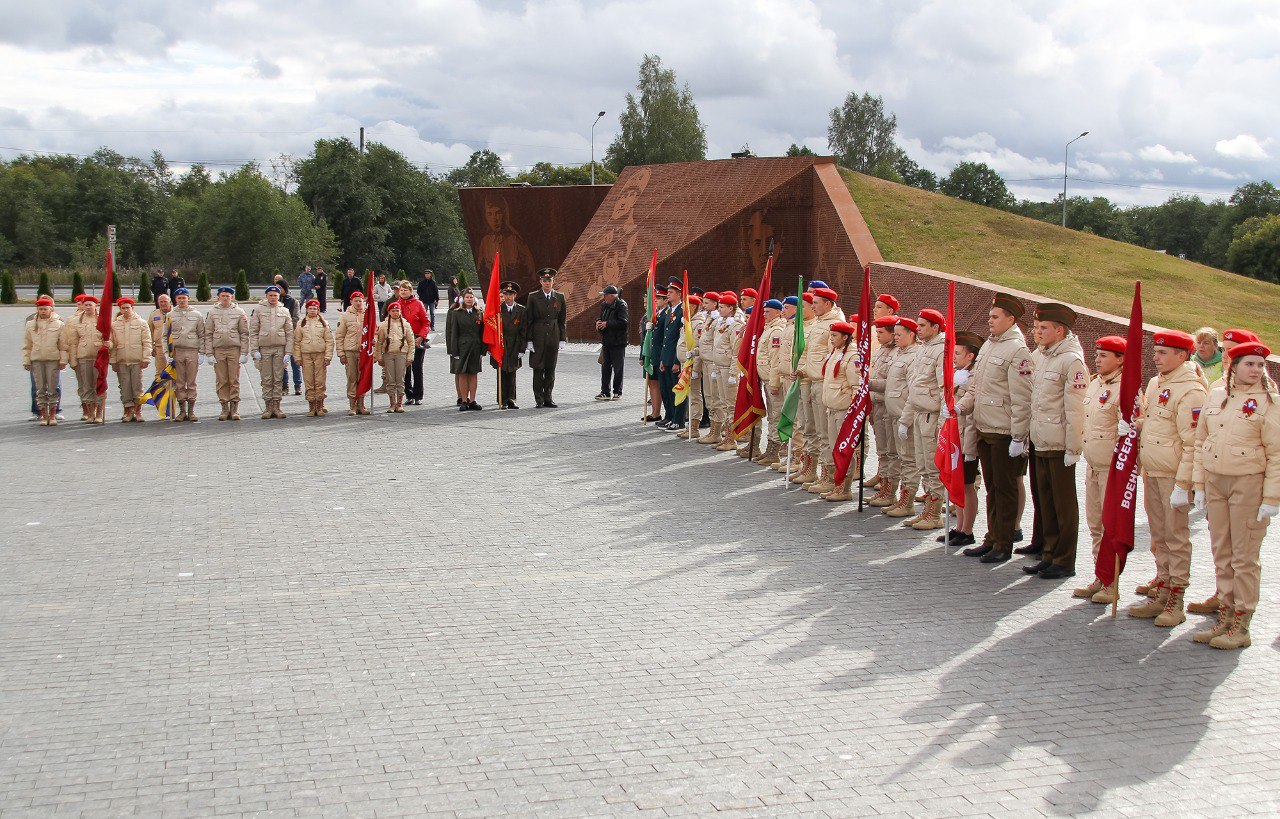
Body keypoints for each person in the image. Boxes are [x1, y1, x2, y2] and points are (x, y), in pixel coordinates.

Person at [1191, 340, 1280, 650]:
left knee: (1244, 558)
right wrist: (1199, 485)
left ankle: (1242, 624)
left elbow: (1276, 454)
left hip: (1248, 485)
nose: (1255, 370)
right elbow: (1202, 441)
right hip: (1217, 482)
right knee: (1222, 553)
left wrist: (1271, 499)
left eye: (1260, 365)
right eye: (1249, 364)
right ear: (1234, 365)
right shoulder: (1217, 395)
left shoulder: (1269, 402)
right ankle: (1225, 618)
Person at [1127, 329, 1209, 626]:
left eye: (1163, 352)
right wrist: (1136, 424)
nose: (1156, 357)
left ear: (1182, 355)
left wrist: (1184, 484)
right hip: (1154, 470)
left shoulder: (1191, 390)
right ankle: (1162, 589)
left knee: (1176, 538)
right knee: (1159, 537)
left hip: (1174, 476)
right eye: (1156, 351)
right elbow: (1153, 423)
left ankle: (1177, 598)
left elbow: (1193, 442)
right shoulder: (1155, 383)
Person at [955, 293, 1033, 564]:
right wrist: (961, 407)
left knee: (1005, 489)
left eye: (995, 316)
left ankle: (1004, 542)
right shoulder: (989, 345)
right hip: (984, 427)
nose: (989, 320)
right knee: (992, 488)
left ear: (1011, 320)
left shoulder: (1017, 350)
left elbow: (1022, 397)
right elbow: (977, 385)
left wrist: (1019, 436)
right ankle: (991, 537)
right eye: (989, 316)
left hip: (1003, 431)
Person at [1019, 303, 1088, 580]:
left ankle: (1064, 559)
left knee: (1063, 504)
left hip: (1059, 442)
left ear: (1060, 331)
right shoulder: (1043, 355)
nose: (1037, 332)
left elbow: (1075, 409)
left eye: (1043, 328)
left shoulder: (1072, 361)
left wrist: (1073, 448)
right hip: (1040, 438)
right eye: (1036, 327)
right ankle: (1048, 553)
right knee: (1045, 500)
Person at [1070, 335, 1127, 601]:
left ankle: (1111, 583)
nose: (1098, 359)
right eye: (1098, 354)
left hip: (1113, 469)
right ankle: (1100, 575)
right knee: (1095, 525)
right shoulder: (1095, 384)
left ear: (1120, 359)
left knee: (1109, 527)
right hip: (1094, 464)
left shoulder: (1125, 388)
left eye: (1105, 356)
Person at [898, 308, 948, 529]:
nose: (917, 329)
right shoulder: (923, 349)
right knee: (922, 465)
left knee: (931, 466)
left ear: (935, 327)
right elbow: (914, 387)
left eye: (922, 326)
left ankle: (935, 514)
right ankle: (927, 509)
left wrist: (942, 422)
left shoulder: (941, 350)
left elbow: (944, 387)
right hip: (919, 412)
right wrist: (905, 419)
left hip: (931, 415)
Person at [796, 287, 846, 492]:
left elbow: (831, 358)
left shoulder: (833, 325)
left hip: (822, 383)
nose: (813, 306)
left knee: (825, 433)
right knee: (811, 428)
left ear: (828, 304)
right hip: (810, 380)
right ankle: (811, 468)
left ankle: (828, 474)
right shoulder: (819, 323)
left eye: (816, 303)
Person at [939, 331, 983, 546]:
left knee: (967, 484)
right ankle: (958, 527)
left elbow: (970, 397)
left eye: (958, 353)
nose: (954, 357)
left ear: (970, 356)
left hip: (966, 435)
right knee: (955, 481)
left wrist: (957, 407)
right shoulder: (957, 373)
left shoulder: (974, 375)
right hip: (953, 433)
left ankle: (967, 530)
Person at [881, 318, 921, 512]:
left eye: (899, 334)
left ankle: (907, 502)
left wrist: (906, 419)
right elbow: (891, 384)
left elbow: (913, 390)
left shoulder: (914, 357)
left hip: (905, 415)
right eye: (894, 334)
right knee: (897, 456)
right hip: (893, 413)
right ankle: (896, 496)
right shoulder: (899, 354)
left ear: (911, 334)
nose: (895, 338)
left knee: (908, 460)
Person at [819, 320, 860, 501]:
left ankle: (845, 488)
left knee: (844, 450)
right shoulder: (835, 352)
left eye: (835, 336)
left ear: (845, 337)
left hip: (844, 410)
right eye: (831, 335)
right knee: (834, 447)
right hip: (832, 407)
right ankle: (837, 483)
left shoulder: (852, 356)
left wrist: (854, 412)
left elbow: (856, 386)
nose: (832, 339)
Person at [866, 315, 900, 503]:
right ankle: (884, 486)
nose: (877, 335)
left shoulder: (897, 353)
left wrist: (870, 383)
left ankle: (891, 492)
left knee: (892, 451)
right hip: (877, 403)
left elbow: (893, 383)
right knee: (883, 450)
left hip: (889, 405)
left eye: (881, 332)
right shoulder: (880, 352)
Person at [203, 286, 249, 421]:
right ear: (218, 297)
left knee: (233, 380)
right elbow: (208, 334)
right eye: (222, 296)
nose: (225, 298)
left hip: (234, 349)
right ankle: (224, 408)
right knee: (222, 380)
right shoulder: (212, 312)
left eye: (227, 296)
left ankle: (234, 408)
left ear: (231, 297)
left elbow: (244, 334)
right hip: (219, 350)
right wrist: (209, 354)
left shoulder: (239, 312)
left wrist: (244, 352)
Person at [250, 285, 294, 419]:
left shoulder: (285, 311)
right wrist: (254, 350)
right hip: (264, 349)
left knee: (278, 378)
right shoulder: (258, 310)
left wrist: (288, 352)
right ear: (266, 296)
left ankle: (277, 406)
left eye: (276, 295)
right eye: (271, 295)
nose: (273, 297)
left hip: (279, 349)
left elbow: (289, 333)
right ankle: (268, 407)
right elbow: (253, 332)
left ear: (279, 296)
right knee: (267, 378)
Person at [525, 268, 567, 408]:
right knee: (538, 368)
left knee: (550, 368)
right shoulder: (533, 297)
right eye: (544, 280)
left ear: (553, 281)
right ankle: (539, 398)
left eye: (549, 280)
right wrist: (529, 340)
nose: (547, 283)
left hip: (553, 336)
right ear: (540, 282)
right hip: (538, 335)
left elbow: (562, 320)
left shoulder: (560, 297)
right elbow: (529, 320)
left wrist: (562, 338)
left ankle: (548, 397)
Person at [63, 295, 109, 424]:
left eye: (90, 305)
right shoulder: (77, 321)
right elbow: (73, 342)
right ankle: (90, 413)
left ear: (95, 306)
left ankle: (99, 412)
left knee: (99, 385)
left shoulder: (103, 319)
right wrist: (72, 360)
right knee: (86, 386)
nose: (88, 307)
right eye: (86, 305)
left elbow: (109, 338)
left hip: (98, 357)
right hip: (83, 357)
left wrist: (108, 346)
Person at [711, 292, 746, 451]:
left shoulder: (735, 325)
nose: (719, 310)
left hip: (727, 369)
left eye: (722, 307)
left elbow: (736, 351)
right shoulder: (721, 323)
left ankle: (732, 438)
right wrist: (713, 367)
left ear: (731, 308)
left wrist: (733, 373)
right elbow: (715, 346)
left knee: (730, 404)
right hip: (719, 366)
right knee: (722, 402)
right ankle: (725, 435)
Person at [24, 296, 67, 426]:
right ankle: (43, 414)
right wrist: (26, 361)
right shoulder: (30, 324)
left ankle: (53, 414)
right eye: (40, 309)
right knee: (40, 388)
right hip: (36, 360)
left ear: (51, 309)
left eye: (45, 309)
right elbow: (27, 345)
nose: (43, 311)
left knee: (53, 387)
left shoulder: (59, 324)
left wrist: (63, 360)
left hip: (53, 360)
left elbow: (63, 345)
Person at [753, 299, 787, 464]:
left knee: (776, 415)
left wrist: (774, 383)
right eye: (764, 311)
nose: (764, 314)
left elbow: (775, 360)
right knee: (772, 416)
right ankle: (770, 448)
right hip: (766, 378)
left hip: (773, 381)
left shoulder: (776, 331)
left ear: (777, 312)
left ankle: (776, 449)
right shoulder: (768, 329)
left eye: (768, 311)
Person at [110, 297, 152, 422]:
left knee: (137, 387)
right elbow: (112, 344)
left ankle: (138, 411)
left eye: (128, 307)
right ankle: (128, 411)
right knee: (124, 387)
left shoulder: (141, 323)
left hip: (136, 360)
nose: (126, 310)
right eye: (123, 308)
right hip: (121, 360)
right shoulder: (115, 324)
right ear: (120, 309)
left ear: (132, 308)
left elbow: (147, 342)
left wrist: (146, 358)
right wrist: (112, 361)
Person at [168, 288, 205, 422]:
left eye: (184, 298)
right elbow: (165, 335)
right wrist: (168, 353)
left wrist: (202, 352)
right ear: (175, 299)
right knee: (179, 383)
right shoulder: (170, 315)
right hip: (177, 352)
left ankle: (191, 411)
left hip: (192, 351)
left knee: (191, 382)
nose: (182, 300)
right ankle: (182, 411)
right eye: (179, 298)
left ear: (188, 298)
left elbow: (201, 334)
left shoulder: (197, 315)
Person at [294, 299, 334, 417]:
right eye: (310, 308)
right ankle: (311, 406)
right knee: (309, 381)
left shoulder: (323, 323)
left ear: (318, 310)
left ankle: (319, 405)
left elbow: (329, 341)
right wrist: (297, 357)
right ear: (306, 310)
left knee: (320, 381)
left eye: (315, 308)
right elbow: (296, 342)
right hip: (306, 355)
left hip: (320, 355)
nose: (312, 310)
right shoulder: (301, 323)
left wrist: (328, 356)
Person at [446, 288, 485, 410]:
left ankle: (472, 400)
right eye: (467, 297)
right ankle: (464, 400)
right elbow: (454, 333)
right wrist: (454, 351)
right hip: (462, 347)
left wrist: (483, 350)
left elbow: (482, 332)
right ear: (462, 299)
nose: (469, 299)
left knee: (473, 373)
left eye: (471, 297)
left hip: (475, 347)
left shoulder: (479, 313)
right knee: (462, 373)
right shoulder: (457, 313)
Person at [394, 281, 431, 405]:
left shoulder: (418, 304)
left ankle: (418, 395)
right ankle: (408, 394)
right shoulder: (396, 304)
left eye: (406, 290)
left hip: (417, 340)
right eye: (401, 290)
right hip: (401, 340)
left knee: (417, 368)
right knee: (405, 369)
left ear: (411, 291)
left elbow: (426, 323)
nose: (403, 292)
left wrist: (421, 336)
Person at [491, 281, 527, 409]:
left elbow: (524, 330)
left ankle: (511, 398)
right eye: (505, 294)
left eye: (510, 294)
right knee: (502, 372)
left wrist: (522, 348)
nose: (508, 297)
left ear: (515, 295)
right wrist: (491, 347)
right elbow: (492, 329)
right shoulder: (497, 310)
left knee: (512, 372)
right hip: (501, 344)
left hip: (515, 344)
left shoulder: (521, 310)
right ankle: (502, 399)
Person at [658, 279, 687, 431]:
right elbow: (665, 337)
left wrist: (676, 361)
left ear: (679, 294)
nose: (668, 295)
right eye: (668, 292)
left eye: (670, 292)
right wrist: (663, 358)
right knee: (667, 389)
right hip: (667, 356)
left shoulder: (683, 311)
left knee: (678, 390)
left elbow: (680, 339)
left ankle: (678, 419)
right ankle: (669, 416)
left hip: (675, 358)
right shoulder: (670, 311)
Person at [375, 301, 414, 413]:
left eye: (397, 310)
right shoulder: (383, 325)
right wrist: (379, 357)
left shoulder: (406, 325)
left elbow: (411, 342)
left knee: (400, 380)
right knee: (390, 380)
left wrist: (410, 357)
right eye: (393, 311)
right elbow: (379, 342)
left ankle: (400, 403)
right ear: (389, 312)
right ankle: (392, 403)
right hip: (388, 354)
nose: (395, 313)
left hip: (401, 354)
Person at [335, 291, 370, 416]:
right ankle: (352, 405)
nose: (358, 303)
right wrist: (341, 354)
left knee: (363, 378)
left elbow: (373, 332)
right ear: (351, 302)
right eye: (356, 301)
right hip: (350, 351)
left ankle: (361, 404)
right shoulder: (345, 316)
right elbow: (339, 336)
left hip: (364, 352)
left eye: (360, 300)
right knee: (352, 378)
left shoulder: (367, 315)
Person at [596, 284, 629, 401]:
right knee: (605, 367)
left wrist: (607, 324)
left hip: (618, 342)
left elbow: (623, 323)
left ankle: (617, 392)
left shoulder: (621, 305)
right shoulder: (604, 305)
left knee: (618, 368)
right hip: (606, 341)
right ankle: (605, 391)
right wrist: (599, 322)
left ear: (611, 296)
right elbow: (601, 317)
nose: (604, 297)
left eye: (605, 295)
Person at [278, 285, 303, 396]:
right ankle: (285, 386)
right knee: (282, 362)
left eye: (280, 288)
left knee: (295, 361)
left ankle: (297, 385)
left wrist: (285, 326)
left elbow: (296, 318)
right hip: (279, 336)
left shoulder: (293, 302)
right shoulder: (274, 301)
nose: (278, 290)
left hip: (291, 334)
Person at [148, 293, 172, 371]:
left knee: (176, 372)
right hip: (159, 348)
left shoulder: (176, 313)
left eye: (165, 301)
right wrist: (151, 347)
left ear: (170, 302)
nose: (163, 304)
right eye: (161, 302)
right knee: (160, 373)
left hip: (174, 348)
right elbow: (149, 332)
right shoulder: (154, 314)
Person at [417, 270, 440, 344]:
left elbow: (436, 291)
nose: (427, 275)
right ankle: (423, 326)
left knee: (432, 313)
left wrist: (436, 299)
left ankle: (432, 326)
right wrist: (422, 297)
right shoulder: (422, 282)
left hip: (431, 300)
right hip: (424, 300)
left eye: (428, 274)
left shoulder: (433, 282)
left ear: (430, 275)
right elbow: (418, 291)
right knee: (424, 314)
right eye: (426, 274)